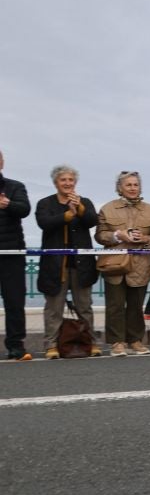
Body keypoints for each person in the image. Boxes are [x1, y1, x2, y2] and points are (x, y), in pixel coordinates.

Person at [35, 165, 101, 359]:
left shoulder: (85, 202)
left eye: (70, 180)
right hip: (56, 265)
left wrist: (79, 208)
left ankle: (90, 343)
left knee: (85, 307)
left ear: (75, 183)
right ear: (56, 183)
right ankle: (51, 345)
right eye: (63, 180)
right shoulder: (45, 203)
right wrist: (66, 216)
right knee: (54, 308)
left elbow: (91, 220)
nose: (67, 183)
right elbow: (44, 223)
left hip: (81, 264)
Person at [95, 171, 150, 355]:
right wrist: (118, 235)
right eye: (128, 185)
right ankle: (117, 342)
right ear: (119, 188)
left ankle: (135, 340)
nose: (132, 188)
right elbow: (100, 235)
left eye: (135, 185)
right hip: (114, 265)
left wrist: (146, 238)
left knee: (136, 305)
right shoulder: (107, 209)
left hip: (141, 265)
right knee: (115, 305)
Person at [0, 150, 32, 361]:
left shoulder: (15, 186)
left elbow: (25, 209)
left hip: (11, 254)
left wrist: (8, 204)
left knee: (14, 302)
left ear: (1, 162)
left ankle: (15, 346)